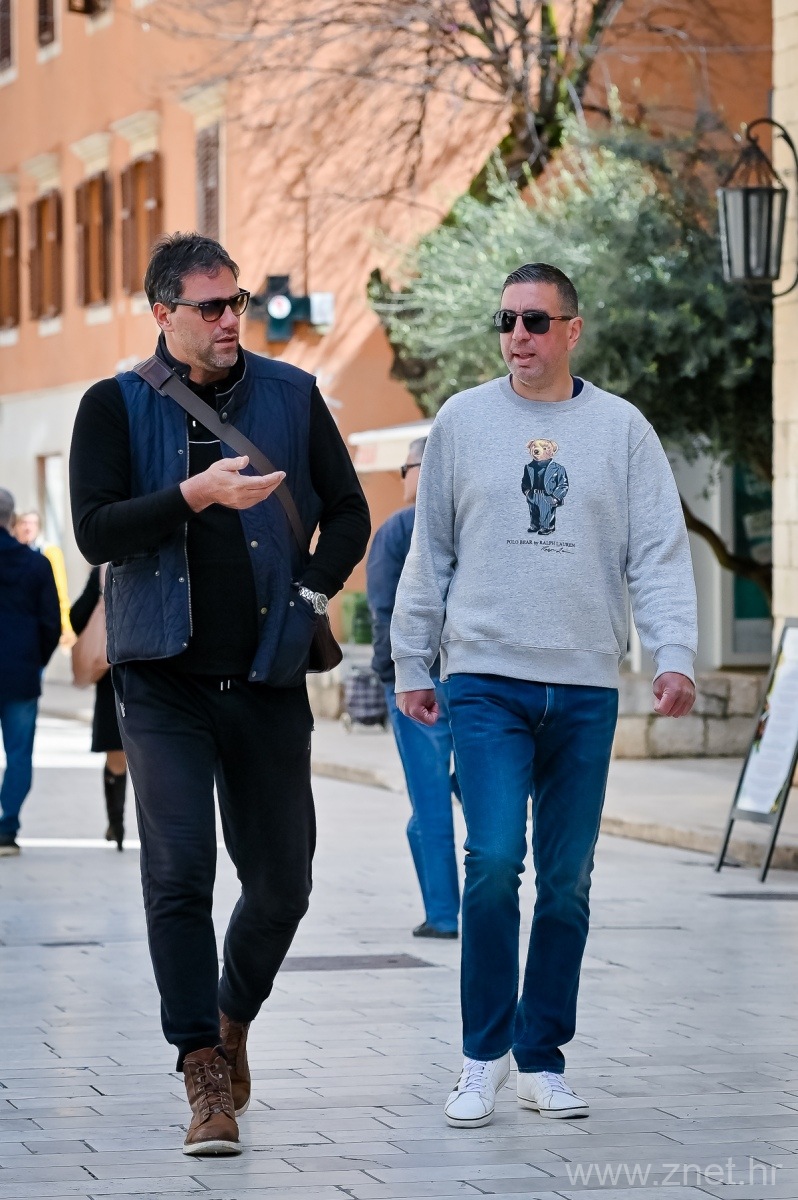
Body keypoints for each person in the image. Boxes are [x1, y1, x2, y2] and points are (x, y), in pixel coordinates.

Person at [69, 233, 370, 1156]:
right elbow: (96, 531)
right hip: (161, 678)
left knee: (283, 884)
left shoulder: (291, 394)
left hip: (269, 672)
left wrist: (311, 593)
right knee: (179, 873)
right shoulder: (113, 406)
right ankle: (201, 1064)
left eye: (234, 302)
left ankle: (233, 1016)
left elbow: (348, 511)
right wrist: (193, 495)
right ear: (164, 313)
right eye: (210, 306)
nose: (230, 319)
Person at [391, 263, 697, 1129]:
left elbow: (658, 552)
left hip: (587, 684)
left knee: (566, 879)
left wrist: (673, 652)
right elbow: (431, 550)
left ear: (572, 330)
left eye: (534, 321)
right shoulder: (462, 421)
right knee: (492, 861)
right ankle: (481, 1057)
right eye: (506, 321)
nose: (517, 336)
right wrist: (412, 658)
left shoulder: (622, 430)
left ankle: (541, 1057)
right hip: (486, 677)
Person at [366, 437, 460, 940]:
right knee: (461, 792)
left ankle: (444, 915)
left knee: (429, 803)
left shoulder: (398, 530)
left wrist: (394, 676)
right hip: (476, 678)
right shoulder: (471, 524)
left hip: (417, 683)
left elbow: (384, 612)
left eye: (405, 467)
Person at [0, 488, 61, 856]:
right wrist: (37, 660)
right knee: (19, 754)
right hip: (21, 672)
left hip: (21, 669)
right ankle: (6, 830)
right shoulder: (36, 564)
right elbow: (51, 624)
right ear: (11, 518)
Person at [69, 566, 127, 850]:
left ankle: (116, 823)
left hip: (112, 670)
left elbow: (77, 616)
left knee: (116, 753)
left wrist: (101, 600)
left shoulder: (105, 568)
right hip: (158, 670)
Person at [14, 510, 75, 645]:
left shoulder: (50, 552)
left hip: (39, 620)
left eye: (32, 523)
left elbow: (60, 589)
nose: (28, 527)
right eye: (24, 523)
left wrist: (65, 625)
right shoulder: (11, 551)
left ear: (39, 527)